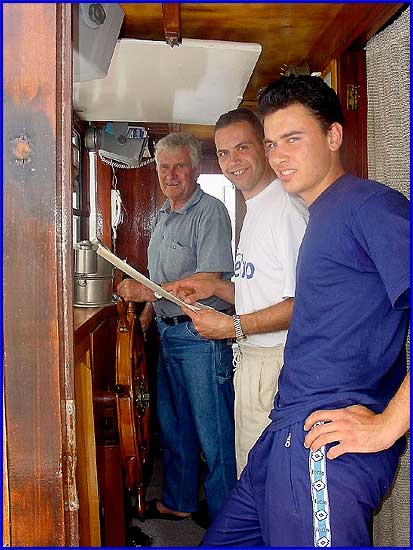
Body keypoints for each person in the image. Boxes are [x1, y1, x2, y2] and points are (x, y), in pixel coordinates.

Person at [201, 75, 410, 547]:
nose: (278, 156)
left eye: (293, 138)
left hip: (325, 440)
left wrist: (388, 425)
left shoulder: (369, 206)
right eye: (272, 143)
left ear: (333, 136)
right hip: (282, 430)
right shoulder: (320, 216)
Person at [165, 108, 308, 477]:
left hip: (275, 364)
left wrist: (232, 327)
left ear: (265, 146)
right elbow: (262, 291)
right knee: (250, 472)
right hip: (252, 359)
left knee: (266, 477)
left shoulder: (286, 210)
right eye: (224, 153)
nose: (232, 162)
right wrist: (214, 287)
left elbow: (303, 305)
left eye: (242, 148)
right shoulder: (255, 208)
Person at [117, 132, 237, 525]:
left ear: (196, 169)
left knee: (214, 435)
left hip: (201, 336)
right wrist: (146, 316)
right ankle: (180, 500)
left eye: (179, 166)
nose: (170, 175)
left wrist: (145, 291)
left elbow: (208, 279)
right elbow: (159, 277)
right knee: (174, 427)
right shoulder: (163, 216)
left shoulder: (211, 212)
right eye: (163, 167)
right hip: (167, 333)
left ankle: (225, 520)